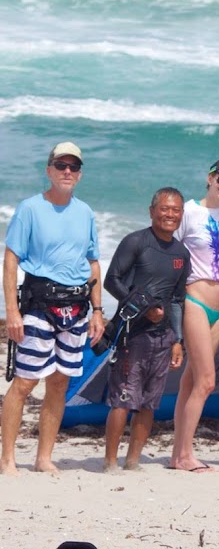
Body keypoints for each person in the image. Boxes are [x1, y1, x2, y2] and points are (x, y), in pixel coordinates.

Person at [1, 142, 104, 476]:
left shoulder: (85, 212)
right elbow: (11, 260)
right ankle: (7, 459)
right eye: (61, 165)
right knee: (25, 382)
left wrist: (98, 311)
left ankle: (43, 458)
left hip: (76, 308)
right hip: (38, 306)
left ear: (80, 174)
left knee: (59, 383)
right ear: (49, 170)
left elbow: (93, 263)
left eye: (74, 166)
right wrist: (12, 311)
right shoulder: (30, 209)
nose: (67, 171)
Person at [100, 187, 191, 473]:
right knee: (123, 399)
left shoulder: (181, 253)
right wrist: (144, 307)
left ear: (181, 215)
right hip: (133, 333)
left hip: (163, 338)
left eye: (176, 210)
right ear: (152, 211)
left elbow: (176, 301)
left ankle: (133, 460)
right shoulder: (136, 241)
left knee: (149, 403)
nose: (170, 214)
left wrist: (178, 340)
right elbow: (112, 281)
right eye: (164, 208)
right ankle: (110, 461)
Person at [170, 158, 219, 472]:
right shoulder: (189, 211)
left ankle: (177, 454)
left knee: (190, 380)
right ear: (210, 178)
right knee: (207, 381)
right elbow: (168, 249)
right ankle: (186, 455)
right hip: (194, 301)